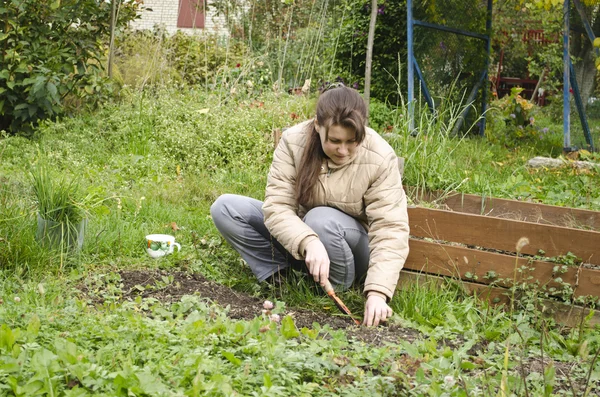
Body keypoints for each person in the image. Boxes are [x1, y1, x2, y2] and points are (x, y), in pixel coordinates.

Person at [211, 86, 410, 326]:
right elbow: (277, 207)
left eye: (352, 141)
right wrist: (308, 241)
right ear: (317, 125)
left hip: (352, 251)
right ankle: (283, 279)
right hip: (308, 243)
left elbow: (390, 228)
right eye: (335, 141)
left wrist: (378, 293)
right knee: (226, 208)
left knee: (320, 219)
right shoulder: (294, 141)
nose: (343, 150)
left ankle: (336, 287)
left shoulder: (379, 156)